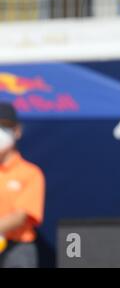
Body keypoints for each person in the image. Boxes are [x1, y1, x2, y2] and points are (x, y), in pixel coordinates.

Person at [0, 103, 45, 268]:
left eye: (4, 126)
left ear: (17, 131)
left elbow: (20, 216)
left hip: (16, 249)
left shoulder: (30, 173)